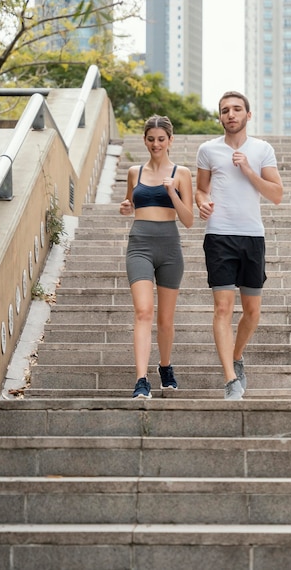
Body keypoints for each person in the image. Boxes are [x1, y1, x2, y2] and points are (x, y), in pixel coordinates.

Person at [195, 91, 283, 400]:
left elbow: (276, 194)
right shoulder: (207, 150)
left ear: (248, 114)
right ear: (219, 117)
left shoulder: (262, 150)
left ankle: (236, 355)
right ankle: (231, 379)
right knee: (222, 307)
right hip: (219, 235)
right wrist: (202, 203)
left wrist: (248, 170)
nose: (230, 114)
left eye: (236, 109)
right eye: (224, 111)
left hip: (252, 236)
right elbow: (201, 190)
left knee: (253, 312)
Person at [120, 115, 194, 399]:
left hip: (170, 247)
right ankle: (141, 380)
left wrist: (172, 192)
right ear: (145, 140)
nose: (156, 144)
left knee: (165, 319)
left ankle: (165, 367)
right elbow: (130, 203)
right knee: (143, 312)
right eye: (151, 139)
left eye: (161, 139)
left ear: (170, 141)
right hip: (139, 244)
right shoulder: (133, 172)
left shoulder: (182, 173)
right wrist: (125, 207)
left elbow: (188, 220)